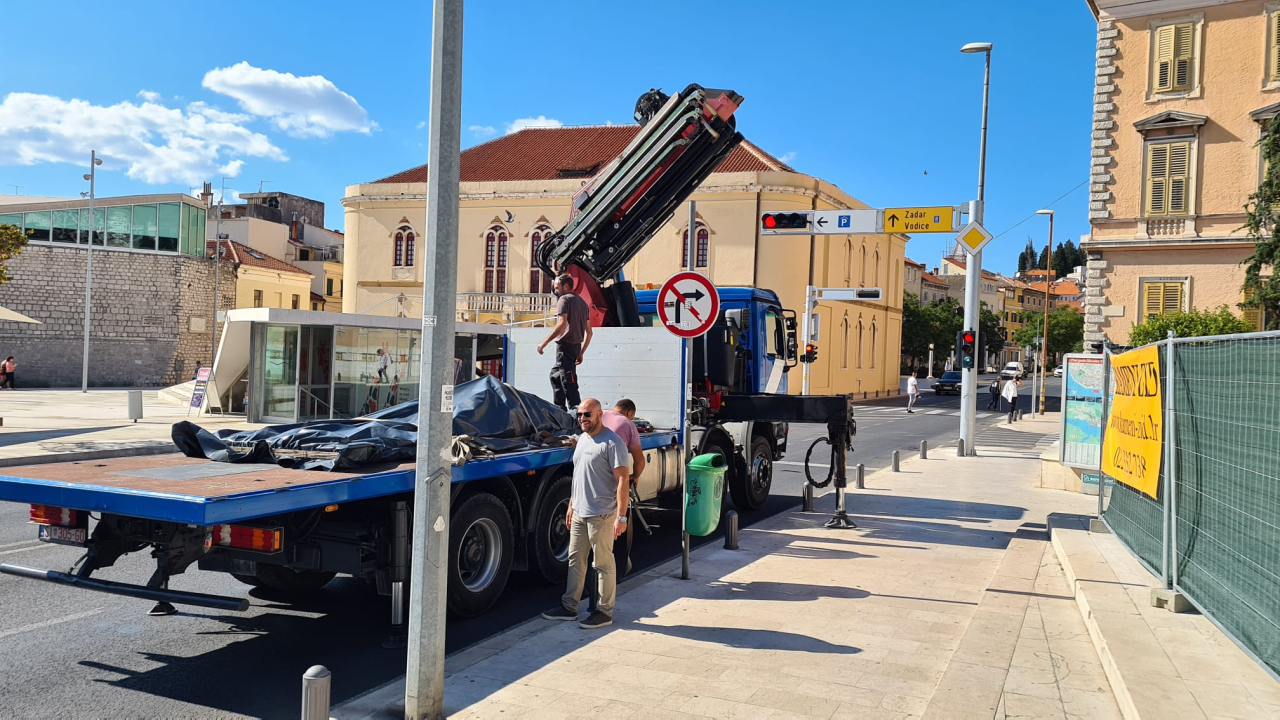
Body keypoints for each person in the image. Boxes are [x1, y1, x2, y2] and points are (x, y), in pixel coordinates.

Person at [543, 398, 629, 629]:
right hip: (580, 512)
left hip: (601, 514)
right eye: (580, 415)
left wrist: (621, 517)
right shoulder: (582, 440)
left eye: (588, 414)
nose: (583, 419)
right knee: (575, 560)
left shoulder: (613, 443)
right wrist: (572, 505)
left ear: (600, 414)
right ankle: (569, 607)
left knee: (602, 563)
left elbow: (623, 481)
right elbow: (579, 475)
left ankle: (604, 611)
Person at [537, 273, 593, 411]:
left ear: (566, 286)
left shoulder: (564, 300)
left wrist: (544, 343)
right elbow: (590, 332)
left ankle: (576, 412)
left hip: (565, 347)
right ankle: (559, 408)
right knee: (555, 376)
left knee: (569, 381)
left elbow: (561, 324)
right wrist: (581, 353)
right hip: (575, 347)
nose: (556, 291)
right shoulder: (583, 303)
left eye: (557, 288)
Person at [601, 398, 645, 487]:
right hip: (611, 470)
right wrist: (635, 476)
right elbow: (639, 461)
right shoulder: (628, 424)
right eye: (631, 417)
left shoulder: (600, 414)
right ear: (630, 412)